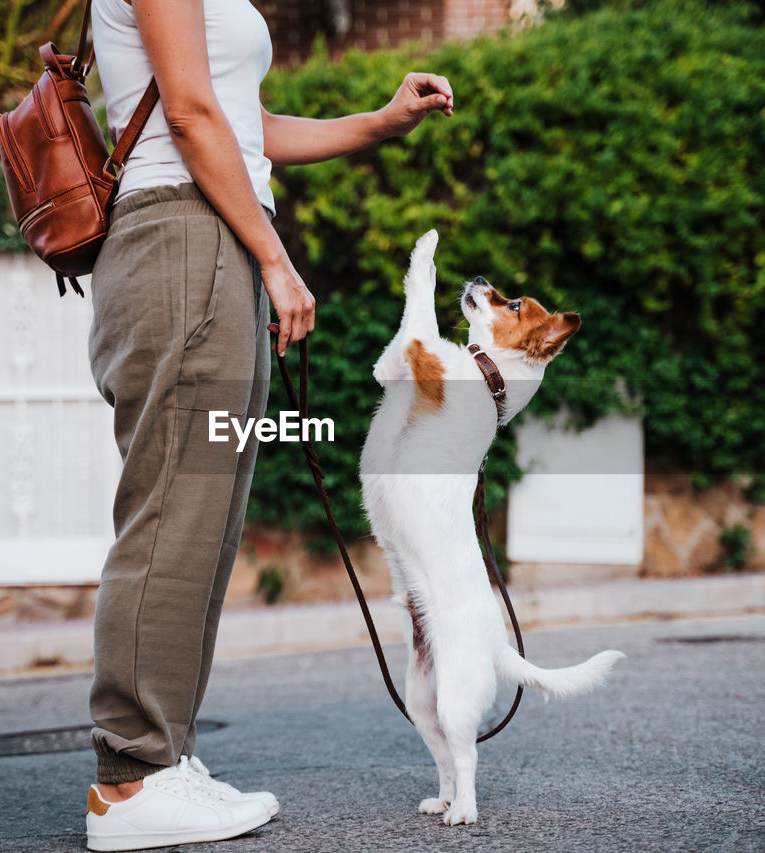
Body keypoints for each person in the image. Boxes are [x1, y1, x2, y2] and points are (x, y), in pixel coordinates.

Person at [83, 0, 454, 848]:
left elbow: (241, 123)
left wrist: (377, 123)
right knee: (174, 513)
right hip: (184, 233)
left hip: (211, 232)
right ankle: (131, 776)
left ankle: (162, 755)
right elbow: (188, 114)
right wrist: (277, 259)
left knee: (204, 518)